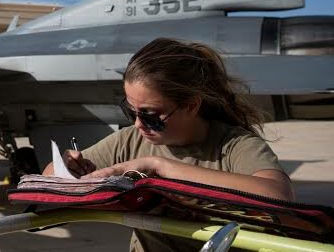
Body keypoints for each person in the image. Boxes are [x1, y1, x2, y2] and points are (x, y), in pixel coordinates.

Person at [43, 37, 293, 252]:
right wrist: (67, 169)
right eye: (131, 112)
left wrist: (160, 167)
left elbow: (278, 197)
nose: (139, 124)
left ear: (191, 105)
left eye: (150, 115)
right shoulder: (129, 140)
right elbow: (48, 181)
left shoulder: (234, 145)